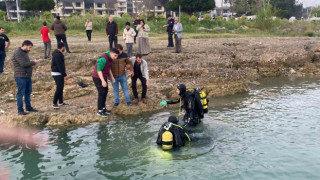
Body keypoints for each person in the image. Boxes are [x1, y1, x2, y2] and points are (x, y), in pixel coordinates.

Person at [11, 40, 39, 115]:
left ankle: (28, 107)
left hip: (27, 76)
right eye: (29, 47)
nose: (30, 49)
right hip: (20, 76)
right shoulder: (17, 53)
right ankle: (20, 110)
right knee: (20, 93)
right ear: (25, 45)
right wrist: (33, 62)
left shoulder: (24, 53)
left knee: (28, 92)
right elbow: (23, 64)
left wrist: (32, 63)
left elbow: (26, 63)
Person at [92, 48, 119, 117]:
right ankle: (100, 111)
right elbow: (99, 70)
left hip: (104, 77)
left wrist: (112, 77)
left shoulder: (110, 58)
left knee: (106, 91)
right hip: (98, 77)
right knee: (101, 92)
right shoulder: (103, 59)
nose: (116, 57)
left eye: (117, 56)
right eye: (115, 55)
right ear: (111, 53)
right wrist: (103, 81)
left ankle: (103, 108)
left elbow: (108, 68)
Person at [51, 42, 69, 109]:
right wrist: (64, 75)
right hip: (57, 73)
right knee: (59, 88)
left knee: (61, 87)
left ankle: (61, 102)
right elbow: (60, 65)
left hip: (58, 73)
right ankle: (54, 103)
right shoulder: (58, 55)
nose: (64, 48)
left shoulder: (57, 54)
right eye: (64, 47)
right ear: (62, 47)